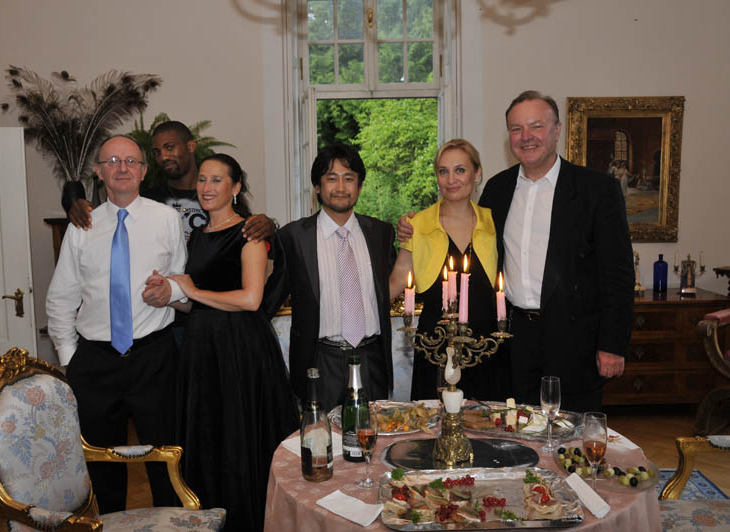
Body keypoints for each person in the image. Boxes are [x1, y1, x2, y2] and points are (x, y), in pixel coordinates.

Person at [399, 91, 634, 412]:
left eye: (536, 126)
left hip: (574, 339)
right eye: (516, 128)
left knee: (572, 428)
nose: (526, 136)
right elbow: (466, 231)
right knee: (515, 428)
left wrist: (613, 344)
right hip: (514, 339)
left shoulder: (597, 190)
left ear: (557, 129)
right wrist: (412, 226)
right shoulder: (498, 189)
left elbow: (618, 273)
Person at [152, 154, 299, 532]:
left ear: (235, 188)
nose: (207, 187)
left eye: (217, 180)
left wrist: (192, 290)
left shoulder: (249, 233)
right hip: (202, 350)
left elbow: (251, 299)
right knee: (209, 439)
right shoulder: (197, 235)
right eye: (202, 179)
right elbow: (194, 303)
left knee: (239, 438)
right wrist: (168, 295)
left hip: (239, 350)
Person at [46, 135, 185, 512]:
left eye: (131, 161)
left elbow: (183, 281)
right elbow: (61, 297)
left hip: (154, 358)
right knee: (101, 464)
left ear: (143, 171)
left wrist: (169, 290)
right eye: (112, 161)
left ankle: (169, 524)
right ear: (98, 171)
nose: (122, 168)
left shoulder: (167, 219)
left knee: (166, 459)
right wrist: (70, 358)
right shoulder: (82, 225)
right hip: (95, 363)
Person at [264, 144, 396, 410]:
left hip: (372, 360)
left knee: (374, 433)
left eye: (349, 178)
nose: (341, 187)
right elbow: (269, 300)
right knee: (321, 435)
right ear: (317, 187)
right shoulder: (293, 237)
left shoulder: (380, 233)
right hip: (319, 363)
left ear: (360, 186)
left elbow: (396, 284)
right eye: (331, 178)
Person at [388, 139, 509, 401]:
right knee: (433, 422)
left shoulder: (495, 221)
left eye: (460, 170)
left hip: (486, 345)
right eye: (443, 171)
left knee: (486, 421)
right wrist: (359, 311)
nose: (451, 179)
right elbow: (398, 277)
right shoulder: (418, 224)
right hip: (435, 344)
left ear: (477, 173)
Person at [61, 120, 275, 243]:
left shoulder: (217, 195)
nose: (163, 157)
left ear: (191, 146)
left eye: (170, 147)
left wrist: (268, 226)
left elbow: (247, 232)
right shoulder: (148, 198)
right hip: (165, 297)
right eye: (157, 152)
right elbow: (114, 218)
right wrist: (77, 206)